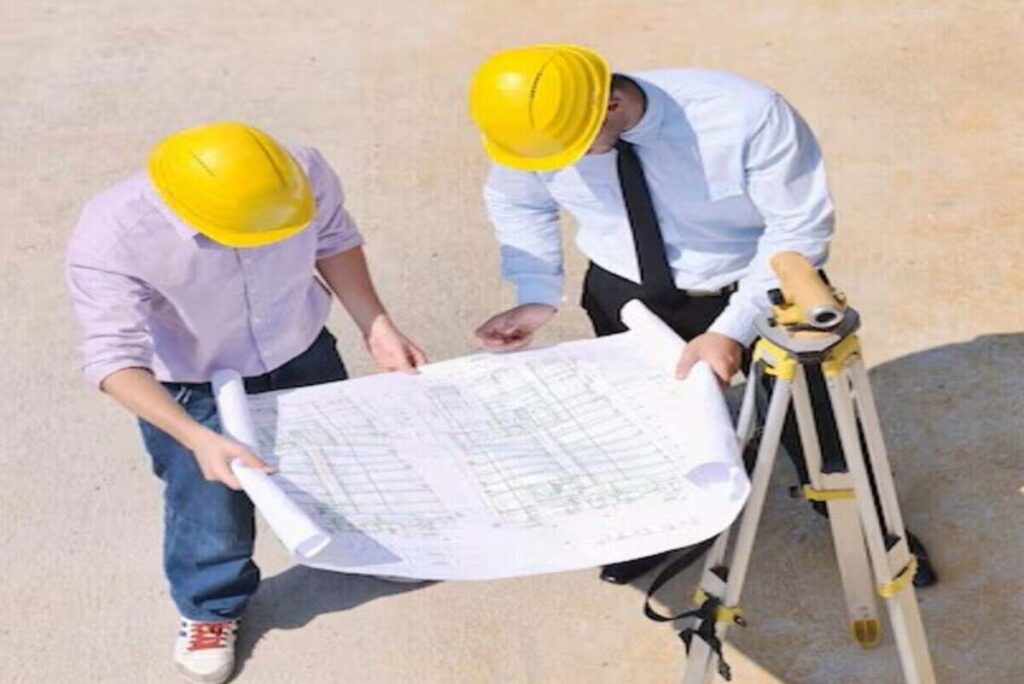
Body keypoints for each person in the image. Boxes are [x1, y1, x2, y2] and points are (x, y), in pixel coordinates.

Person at [467, 44, 935, 587]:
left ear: (611, 105)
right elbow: (518, 200)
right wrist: (537, 292)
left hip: (759, 286)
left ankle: (866, 525)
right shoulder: (535, 131)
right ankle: (669, 527)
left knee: (817, 423)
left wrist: (729, 330)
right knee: (649, 422)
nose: (557, 168)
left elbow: (796, 231)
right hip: (627, 287)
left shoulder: (745, 115)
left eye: (568, 154)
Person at [66, 122, 426, 684]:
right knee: (210, 505)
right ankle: (211, 606)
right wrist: (196, 437)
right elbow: (111, 359)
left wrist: (375, 325)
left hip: (298, 342)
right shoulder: (113, 234)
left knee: (331, 461)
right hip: (191, 381)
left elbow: (332, 239)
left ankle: (359, 547)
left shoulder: (299, 171)